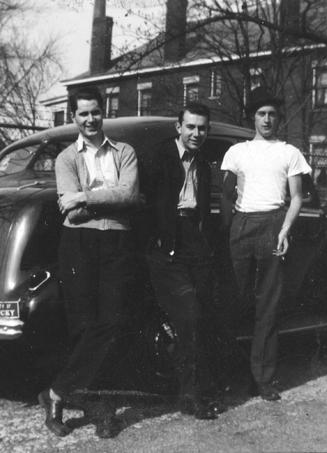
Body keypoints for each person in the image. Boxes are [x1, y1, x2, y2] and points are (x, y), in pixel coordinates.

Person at [38, 86, 139, 437]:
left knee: (109, 323)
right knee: (84, 326)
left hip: (118, 242)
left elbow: (129, 194)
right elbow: (72, 211)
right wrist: (103, 200)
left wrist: (85, 195)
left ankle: (56, 392)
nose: (91, 119)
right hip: (79, 244)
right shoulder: (66, 158)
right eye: (83, 113)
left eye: (95, 112)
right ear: (73, 116)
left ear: (103, 111)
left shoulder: (124, 152)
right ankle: (96, 405)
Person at [221, 87, 311, 401]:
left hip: (274, 223)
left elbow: (297, 197)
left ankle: (263, 378)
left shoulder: (290, 152)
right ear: (253, 117)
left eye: (272, 114)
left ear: (279, 118)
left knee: (268, 306)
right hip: (242, 224)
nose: (267, 119)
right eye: (261, 113)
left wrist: (285, 230)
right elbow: (226, 194)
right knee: (232, 300)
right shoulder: (237, 151)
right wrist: (230, 229)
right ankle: (225, 376)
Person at [143, 102, 224, 420]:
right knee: (188, 314)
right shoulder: (159, 156)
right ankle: (189, 395)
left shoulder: (203, 163)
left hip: (194, 240)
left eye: (202, 128)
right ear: (178, 127)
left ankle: (200, 386)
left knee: (202, 315)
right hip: (166, 243)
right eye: (190, 126)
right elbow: (144, 202)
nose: (196, 133)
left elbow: (204, 210)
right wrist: (156, 240)